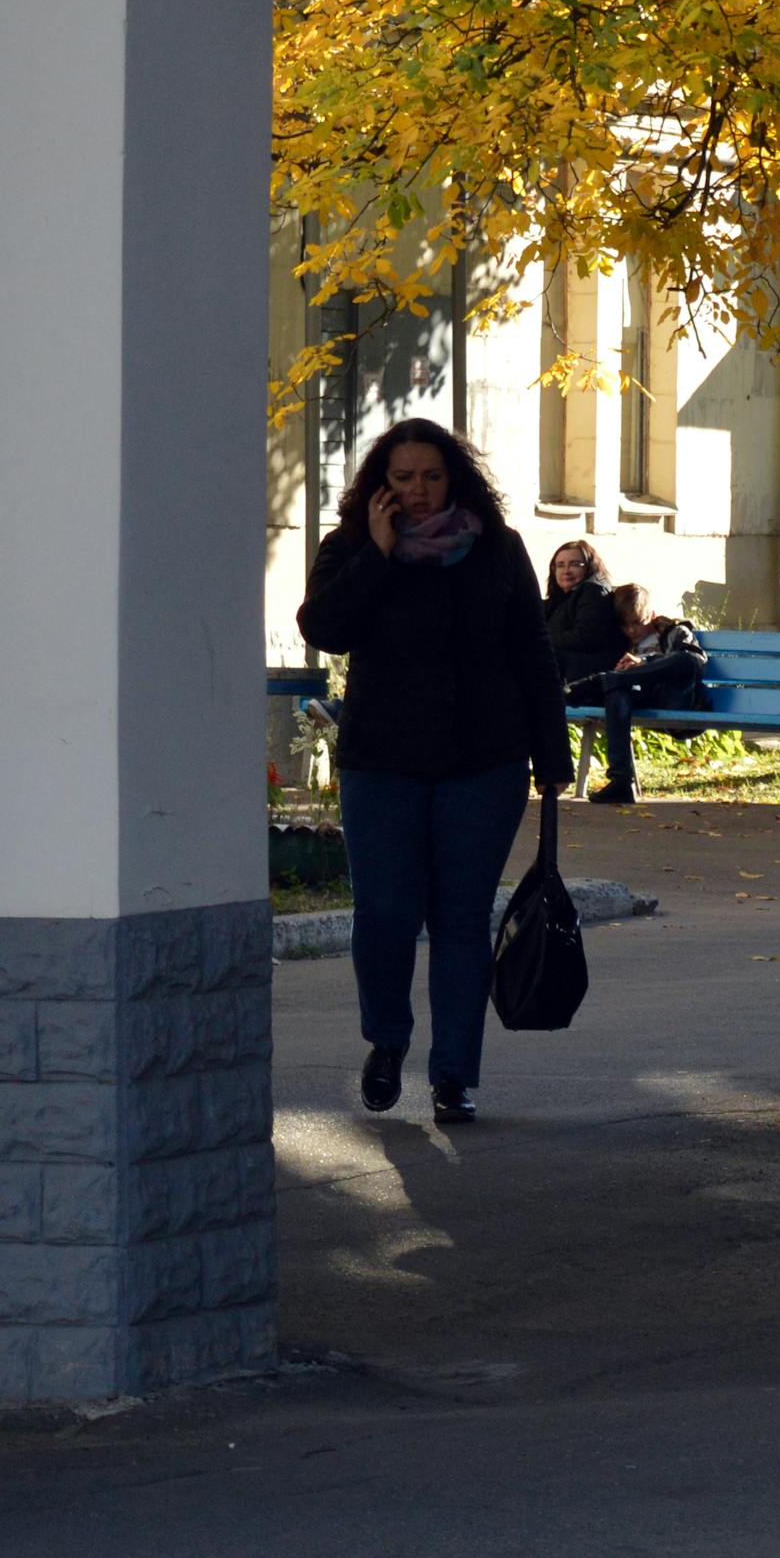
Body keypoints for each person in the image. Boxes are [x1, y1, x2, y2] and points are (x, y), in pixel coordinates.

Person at [296, 417, 570, 1126]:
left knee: (457, 920)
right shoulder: (352, 547)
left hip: (484, 760)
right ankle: (387, 1040)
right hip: (382, 761)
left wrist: (552, 756)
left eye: (431, 476)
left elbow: (533, 656)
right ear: (380, 487)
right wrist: (379, 557)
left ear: (456, 478)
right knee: (384, 914)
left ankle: (453, 1075)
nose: (418, 492)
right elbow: (324, 628)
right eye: (403, 478)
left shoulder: (497, 550)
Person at [573, 584, 708, 806]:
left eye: (637, 622)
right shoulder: (621, 644)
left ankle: (608, 679)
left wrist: (645, 663)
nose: (632, 630)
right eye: (625, 625)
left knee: (685, 659)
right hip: (641, 699)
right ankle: (621, 781)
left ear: (652, 615)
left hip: (674, 699)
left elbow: (696, 662)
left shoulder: (675, 632)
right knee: (616, 692)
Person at [541, 538, 623, 691]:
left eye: (575, 564)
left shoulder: (593, 591)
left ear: (589, 567)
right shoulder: (559, 599)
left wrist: (539, 641)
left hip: (583, 677)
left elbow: (585, 636)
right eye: (560, 565)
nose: (566, 571)